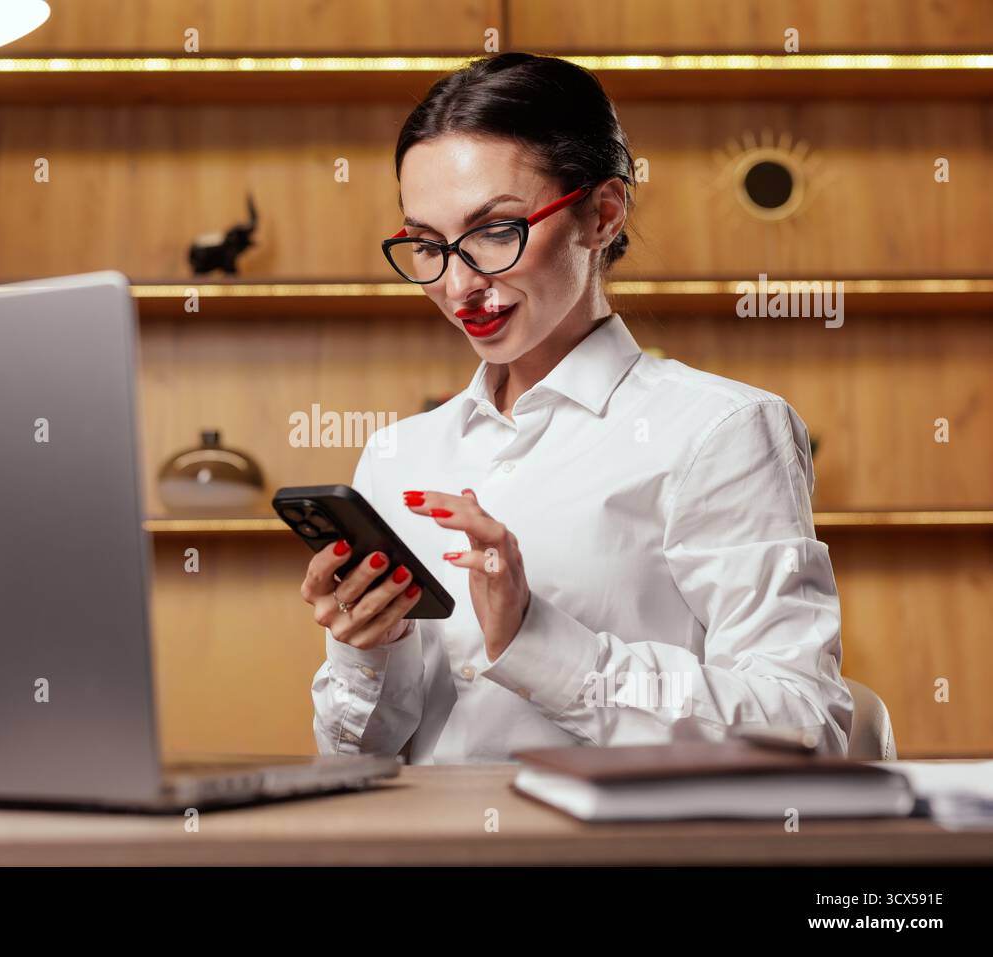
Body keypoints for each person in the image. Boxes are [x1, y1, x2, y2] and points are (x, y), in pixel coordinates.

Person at [302, 52, 853, 763]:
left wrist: (535, 639)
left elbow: (806, 726)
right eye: (428, 245)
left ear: (602, 212)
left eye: (496, 230)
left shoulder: (720, 431)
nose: (459, 282)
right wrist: (367, 652)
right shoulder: (396, 456)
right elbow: (356, 762)